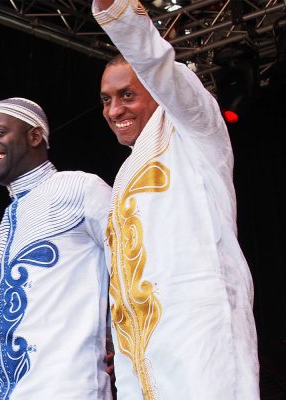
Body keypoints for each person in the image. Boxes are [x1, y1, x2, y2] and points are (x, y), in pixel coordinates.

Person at [92, 0, 259, 398]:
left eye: (127, 94)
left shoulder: (195, 130)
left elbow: (158, 65)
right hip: (142, 348)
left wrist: (113, 10)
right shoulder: (127, 171)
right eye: (105, 99)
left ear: (158, 90)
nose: (115, 110)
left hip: (201, 334)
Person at [0, 97, 113, 399]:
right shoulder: (8, 218)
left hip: (66, 387)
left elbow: (130, 263)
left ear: (35, 136)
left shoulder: (78, 188)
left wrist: (120, 339)